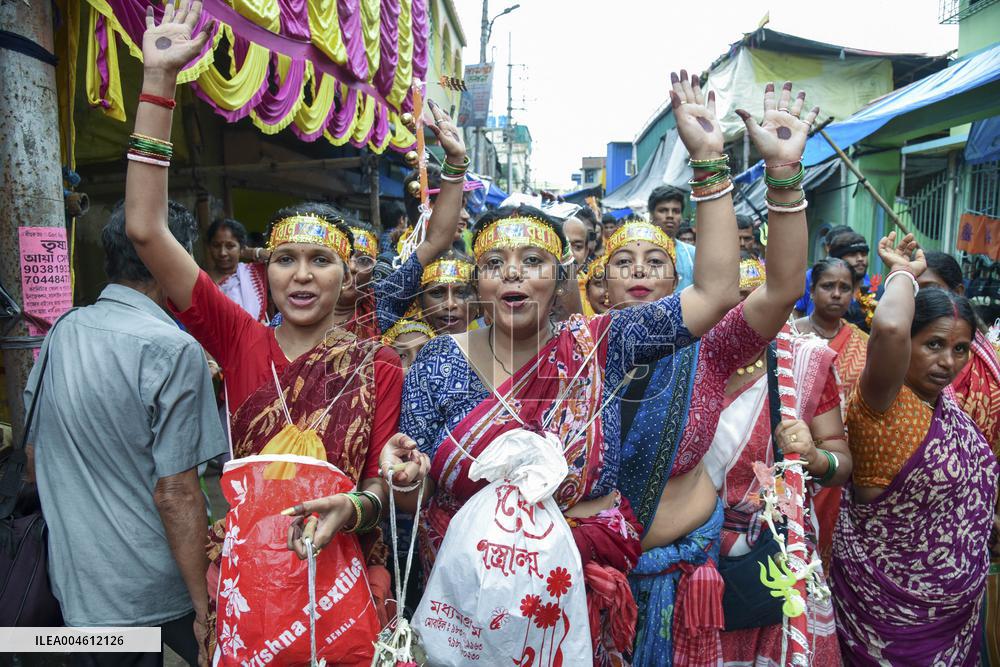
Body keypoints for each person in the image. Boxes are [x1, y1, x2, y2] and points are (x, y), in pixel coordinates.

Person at [375, 72, 742, 665]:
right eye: (495, 261)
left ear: (562, 279)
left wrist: (708, 160)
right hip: (466, 602)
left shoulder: (603, 343)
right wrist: (406, 475)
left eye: (533, 261)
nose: (514, 273)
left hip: (576, 597)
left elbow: (719, 289)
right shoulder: (438, 363)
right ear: (478, 280)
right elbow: (411, 489)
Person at [119, 5, 451, 656]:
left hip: (341, 583)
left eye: (320, 259)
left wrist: (353, 507)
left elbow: (383, 488)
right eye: (285, 259)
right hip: (252, 584)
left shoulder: (376, 363)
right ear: (264, 270)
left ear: (345, 274)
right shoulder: (239, 337)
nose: (302, 275)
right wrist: (157, 82)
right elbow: (145, 229)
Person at [607, 80, 844, 665]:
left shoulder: (708, 349)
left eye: (656, 261)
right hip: (588, 580)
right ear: (595, 283)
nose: (639, 271)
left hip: (690, 579)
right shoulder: (570, 355)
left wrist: (781, 172)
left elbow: (785, 287)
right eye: (621, 262)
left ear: (682, 282)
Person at [26, 202, 226, 666]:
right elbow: (177, 493)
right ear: (172, 260)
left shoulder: (62, 331)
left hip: (77, 583)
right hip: (152, 587)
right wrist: (205, 604)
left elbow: (35, 459)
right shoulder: (175, 350)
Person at [832, 232, 998, 664]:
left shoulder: (944, 406)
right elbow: (888, 326)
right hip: (889, 619)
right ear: (908, 343)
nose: (949, 362)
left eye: (960, 349)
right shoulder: (883, 399)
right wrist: (903, 272)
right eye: (934, 345)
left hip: (956, 617)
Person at [791, 257, 868, 569]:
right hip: (798, 454)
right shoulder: (790, 337)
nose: (836, 294)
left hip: (847, 461)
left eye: (844, 288)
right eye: (828, 286)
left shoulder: (864, 344)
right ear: (812, 290)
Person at [918, 251, 1000, 454]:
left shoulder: (990, 361)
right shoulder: (896, 354)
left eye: (931, 289)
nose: (921, 298)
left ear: (959, 291)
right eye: (913, 288)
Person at [204, 219, 270, 324]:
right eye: (216, 246)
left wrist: (254, 252)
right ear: (209, 247)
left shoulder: (254, 272)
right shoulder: (203, 280)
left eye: (230, 246)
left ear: (242, 247)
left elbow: (274, 256)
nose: (222, 253)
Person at [648, 185, 695, 290]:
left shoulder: (692, 254)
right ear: (651, 215)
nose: (670, 215)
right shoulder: (638, 252)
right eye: (663, 210)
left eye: (676, 211)